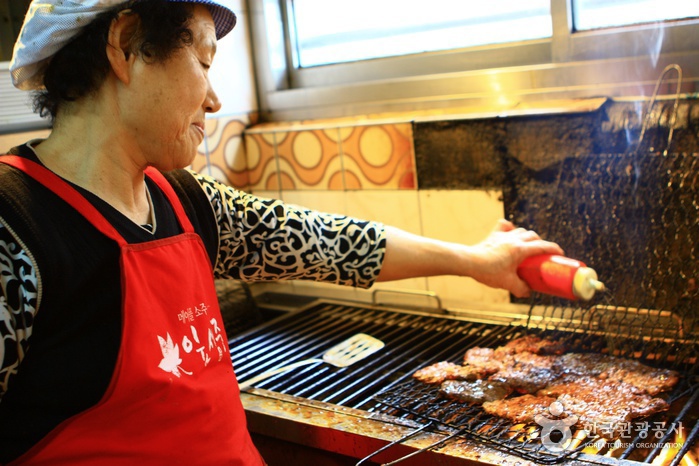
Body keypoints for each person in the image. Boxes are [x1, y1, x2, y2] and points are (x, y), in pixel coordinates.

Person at [0, 0, 563, 464]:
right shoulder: (14, 226)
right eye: (203, 58)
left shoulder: (182, 201)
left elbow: (329, 244)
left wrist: (476, 260)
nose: (215, 100)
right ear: (126, 45)